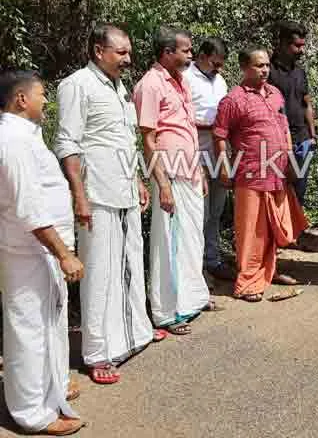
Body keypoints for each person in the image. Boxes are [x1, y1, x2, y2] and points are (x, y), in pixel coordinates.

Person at [54, 24, 164, 385]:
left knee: (131, 261)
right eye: (121, 53)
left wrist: (136, 179)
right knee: (100, 272)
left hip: (125, 191)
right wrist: (79, 194)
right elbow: (68, 143)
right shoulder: (76, 86)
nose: (128, 59)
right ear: (99, 50)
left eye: (129, 52)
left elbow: (123, 141)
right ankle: (97, 352)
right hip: (96, 194)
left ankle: (134, 334)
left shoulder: (120, 90)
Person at [0, 71, 86, 435]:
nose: (45, 101)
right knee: (28, 330)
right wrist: (64, 253)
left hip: (39, 251)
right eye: (40, 95)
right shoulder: (13, 140)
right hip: (28, 250)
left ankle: (50, 387)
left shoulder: (24, 136)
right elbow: (29, 209)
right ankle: (31, 412)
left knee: (49, 324)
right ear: (21, 99)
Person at [133, 26, 214, 335]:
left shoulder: (181, 82)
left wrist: (200, 171)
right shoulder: (150, 85)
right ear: (167, 53)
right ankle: (168, 312)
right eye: (186, 50)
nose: (191, 55)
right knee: (170, 243)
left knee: (192, 240)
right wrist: (163, 184)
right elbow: (148, 139)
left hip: (190, 170)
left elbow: (187, 130)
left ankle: (193, 299)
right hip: (169, 172)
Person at [213, 48, 308, 302]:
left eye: (266, 65)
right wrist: (224, 167)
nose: (265, 70)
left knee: (273, 228)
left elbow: (284, 128)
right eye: (259, 66)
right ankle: (247, 282)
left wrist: (289, 161)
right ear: (245, 67)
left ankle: (269, 271)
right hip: (250, 173)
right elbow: (220, 136)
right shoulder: (233, 100)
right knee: (251, 231)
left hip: (277, 172)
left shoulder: (275, 94)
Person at [183, 37, 232, 281]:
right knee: (198, 213)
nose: (218, 69)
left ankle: (212, 259)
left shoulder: (220, 80)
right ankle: (196, 269)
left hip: (220, 153)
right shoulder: (185, 78)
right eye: (215, 63)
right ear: (201, 56)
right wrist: (210, 126)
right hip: (196, 154)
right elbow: (179, 118)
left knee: (216, 211)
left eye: (221, 64)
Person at [268, 21, 316, 207]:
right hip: (278, 141)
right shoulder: (269, 72)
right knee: (279, 187)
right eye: (297, 46)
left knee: (299, 188)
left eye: (303, 46)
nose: (301, 50)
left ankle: (296, 232)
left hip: (302, 140)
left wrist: (312, 135)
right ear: (283, 44)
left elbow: (306, 103)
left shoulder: (300, 72)